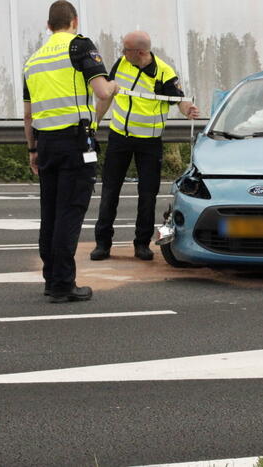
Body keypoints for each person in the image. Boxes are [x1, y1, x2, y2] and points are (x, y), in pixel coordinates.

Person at [23, 0, 118, 303]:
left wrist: (32, 150)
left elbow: (28, 115)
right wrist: (114, 86)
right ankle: (65, 284)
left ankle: (52, 279)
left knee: (49, 212)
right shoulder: (79, 47)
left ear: (48, 26)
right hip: (75, 143)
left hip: (46, 143)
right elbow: (102, 91)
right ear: (74, 21)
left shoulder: (33, 60)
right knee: (70, 212)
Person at [90, 31, 199, 262]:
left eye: (125, 49)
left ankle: (142, 244)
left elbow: (179, 99)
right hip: (119, 137)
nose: (121, 53)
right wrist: (94, 123)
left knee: (147, 195)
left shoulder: (163, 73)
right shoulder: (121, 63)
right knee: (110, 191)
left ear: (139, 52)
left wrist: (188, 110)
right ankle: (102, 243)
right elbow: (107, 95)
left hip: (149, 142)